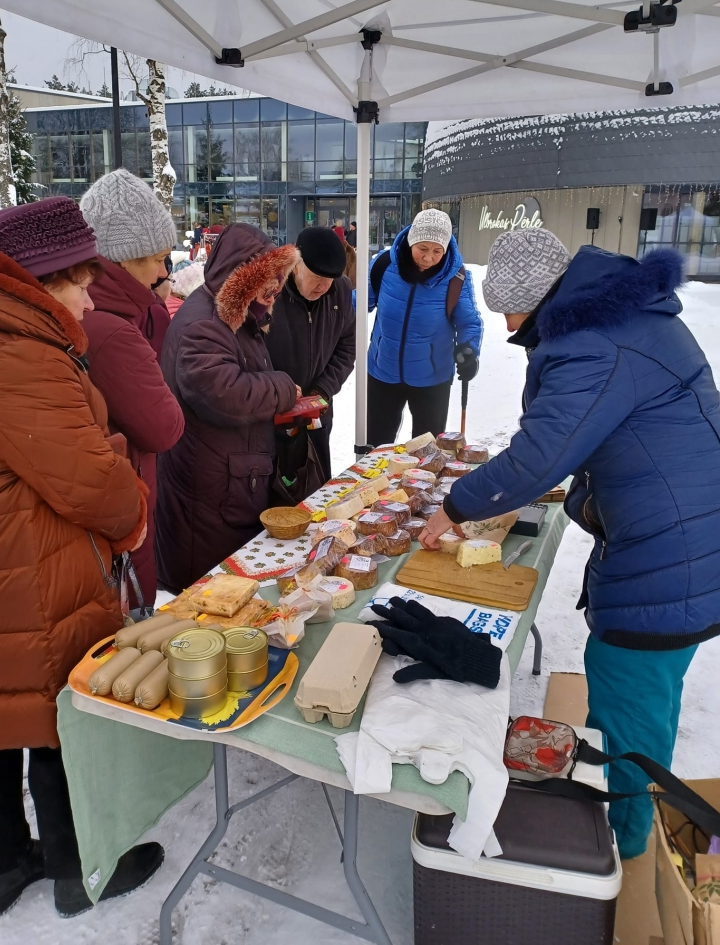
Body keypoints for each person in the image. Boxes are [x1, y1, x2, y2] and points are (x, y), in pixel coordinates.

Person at [421, 228, 720, 861]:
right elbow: (624, 433)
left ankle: (622, 854)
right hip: (693, 539)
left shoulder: (591, 343)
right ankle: (634, 829)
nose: (508, 326)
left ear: (538, 297)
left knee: (627, 700)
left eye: (511, 310)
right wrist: (590, 498)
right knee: (650, 701)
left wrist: (452, 507)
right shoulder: (619, 317)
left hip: (671, 557)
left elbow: (539, 456)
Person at [0, 198, 162, 918]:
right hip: (27, 573)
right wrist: (125, 481)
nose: (90, 299)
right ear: (40, 281)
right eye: (81, 282)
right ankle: (77, 866)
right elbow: (98, 488)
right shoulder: (17, 356)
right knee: (58, 712)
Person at [155, 223, 299, 593]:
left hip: (227, 482)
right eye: (267, 282)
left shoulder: (233, 315)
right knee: (208, 595)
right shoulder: (204, 323)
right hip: (210, 491)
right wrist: (283, 388)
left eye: (278, 282)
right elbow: (224, 393)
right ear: (241, 280)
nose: (274, 291)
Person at [79, 169, 185, 615]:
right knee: (134, 618)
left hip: (124, 500)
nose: (163, 272)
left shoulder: (128, 311)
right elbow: (163, 426)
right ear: (123, 259)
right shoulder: (110, 329)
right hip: (122, 506)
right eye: (156, 259)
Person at [362, 208, 483, 445]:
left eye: (437, 251)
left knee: (426, 452)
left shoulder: (456, 278)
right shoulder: (384, 265)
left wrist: (469, 350)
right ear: (411, 241)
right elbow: (360, 302)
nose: (428, 258)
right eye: (423, 249)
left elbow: (469, 322)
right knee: (375, 447)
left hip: (432, 379)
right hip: (382, 371)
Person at [266, 226, 355, 482]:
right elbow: (250, 353)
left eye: (331, 279)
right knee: (276, 491)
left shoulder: (340, 290)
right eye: (317, 277)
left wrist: (323, 389)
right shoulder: (270, 293)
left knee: (317, 487)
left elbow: (347, 346)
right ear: (296, 265)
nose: (324, 287)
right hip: (273, 415)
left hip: (318, 414)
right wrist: (277, 392)